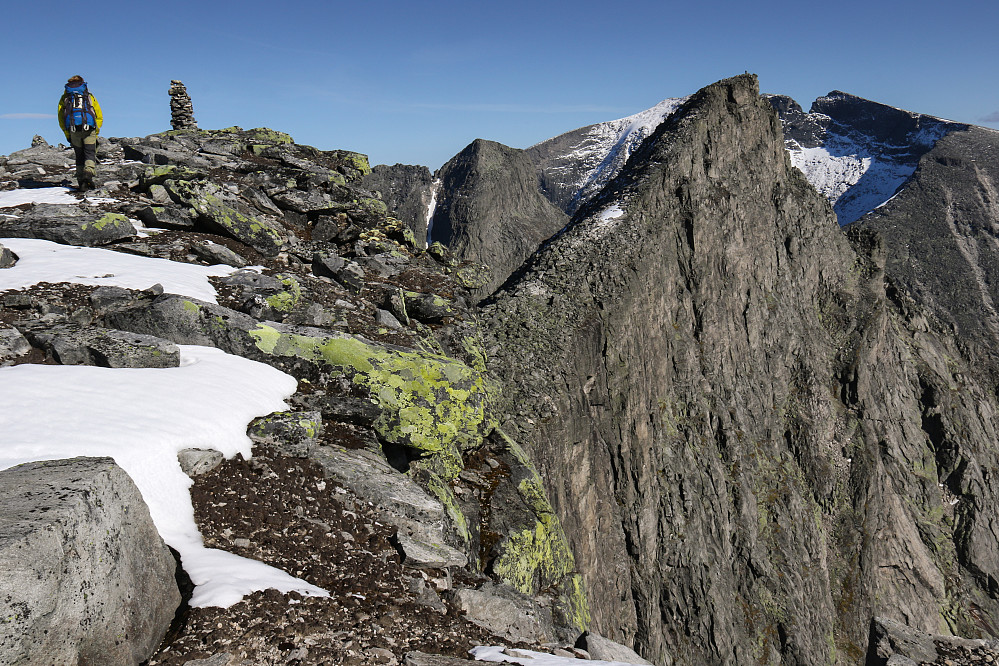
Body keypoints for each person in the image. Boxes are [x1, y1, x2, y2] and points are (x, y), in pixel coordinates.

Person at [57, 75, 103, 191]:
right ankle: (88, 172)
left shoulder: (65, 98)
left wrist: (67, 134)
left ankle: (82, 183)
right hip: (89, 128)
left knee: (79, 155)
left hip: (73, 129)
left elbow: (61, 117)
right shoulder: (89, 96)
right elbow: (98, 114)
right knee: (90, 152)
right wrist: (96, 130)